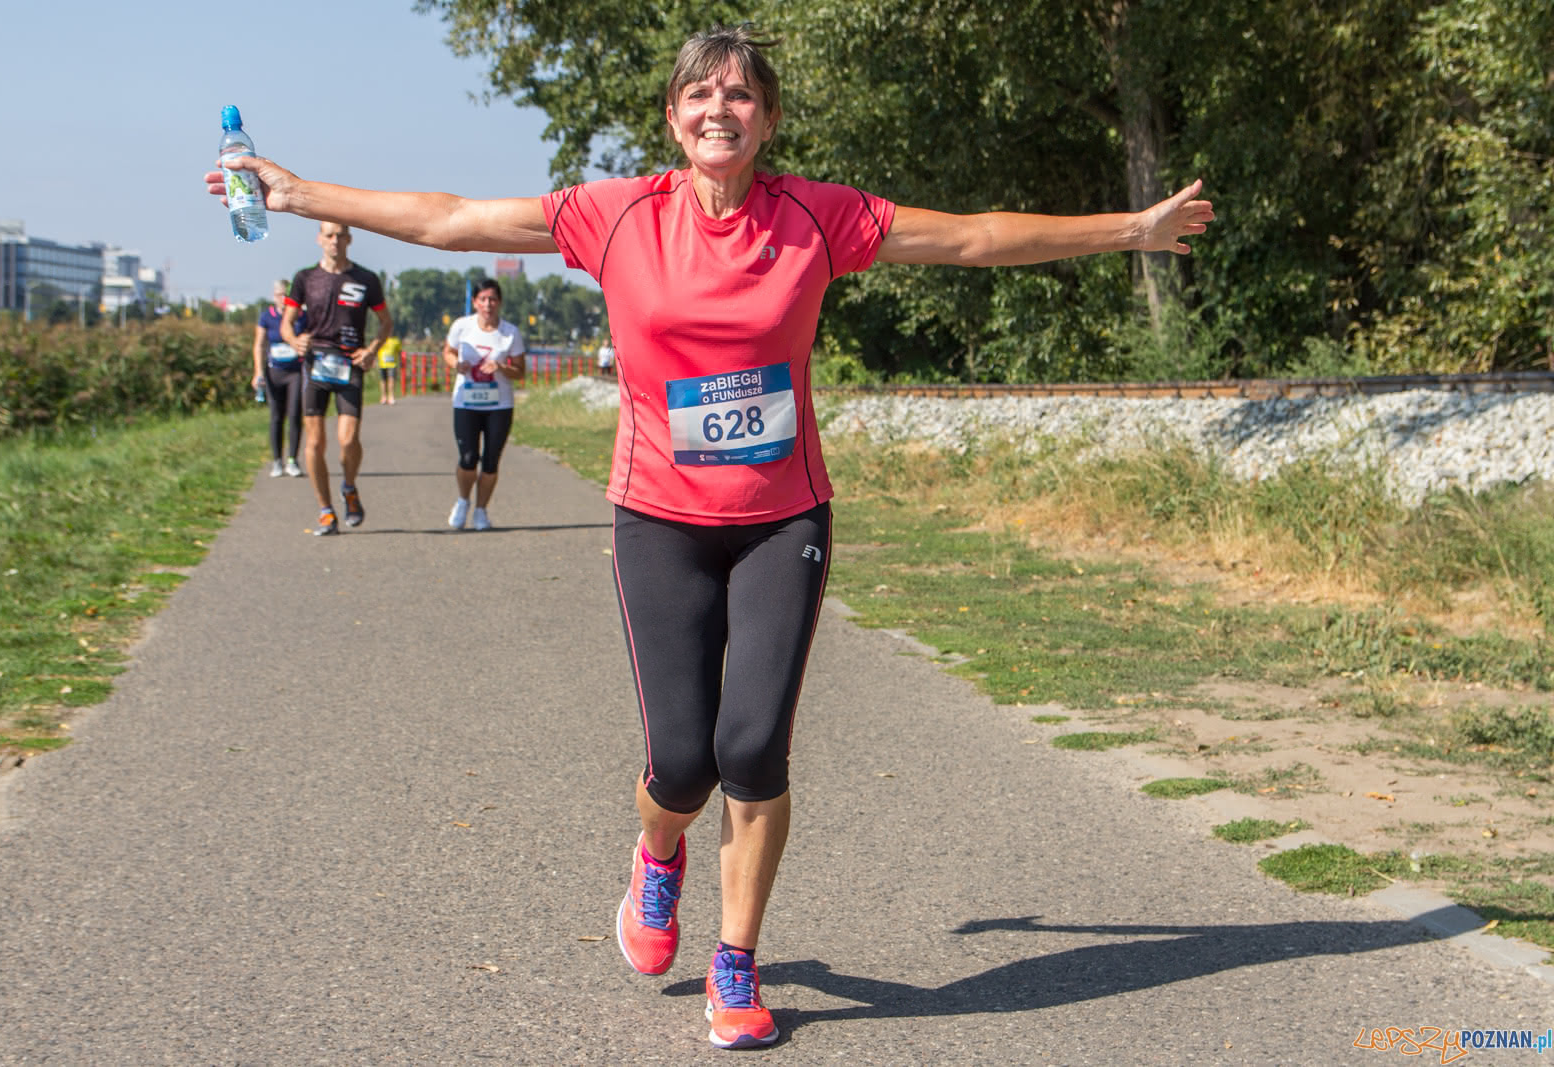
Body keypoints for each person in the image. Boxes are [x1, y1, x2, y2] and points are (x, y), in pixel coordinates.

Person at [206, 23, 1212, 1048]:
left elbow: (975, 237)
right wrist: (299, 196)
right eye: (699, 95)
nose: (718, 109)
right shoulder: (615, 215)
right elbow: (457, 218)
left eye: (739, 95)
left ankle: (735, 957)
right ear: (673, 119)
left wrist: (1130, 227)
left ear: (768, 119)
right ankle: (657, 857)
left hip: (782, 519)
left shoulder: (819, 217)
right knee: (681, 764)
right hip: (659, 516)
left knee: (753, 749)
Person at [280, 221, 393, 536]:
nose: (335, 241)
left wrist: (372, 350)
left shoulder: (366, 279)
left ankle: (349, 487)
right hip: (315, 363)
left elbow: (386, 322)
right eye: (329, 235)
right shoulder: (304, 279)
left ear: (349, 239)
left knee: (348, 440)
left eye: (340, 235)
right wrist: (293, 341)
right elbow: (287, 324)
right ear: (319, 239)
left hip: (349, 364)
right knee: (314, 441)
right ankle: (326, 511)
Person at [441, 279, 526, 531]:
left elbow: (520, 371)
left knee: (490, 461)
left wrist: (501, 367)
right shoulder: (462, 326)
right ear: (475, 302)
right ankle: (463, 500)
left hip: (499, 405)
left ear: (499, 302)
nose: (488, 304)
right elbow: (447, 352)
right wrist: (456, 364)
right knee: (468, 457)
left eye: (492, 299)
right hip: (466, 401)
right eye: (483, 299)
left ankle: (481, 510)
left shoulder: (510, 332)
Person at [252, 279, 306, 478]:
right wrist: (258, 372)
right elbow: (259, 345)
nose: (283, 299)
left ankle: (292, 460)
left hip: (296, 371)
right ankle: (277, 461)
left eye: (287, 295)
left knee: (294, 414)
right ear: (274, 296)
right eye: (280, 295)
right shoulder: (267, 317)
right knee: (276, 416)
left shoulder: (301, 317)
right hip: (274, 372)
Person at [376, 334, 402, 404]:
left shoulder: (396, 340)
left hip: (392, 364)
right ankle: (383, 397)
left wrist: (401, 362)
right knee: (383, 380)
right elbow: (376, 349)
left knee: (392, 379)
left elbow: (399, 352)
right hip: (382, 363)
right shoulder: (380, 339)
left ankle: (391, 396)